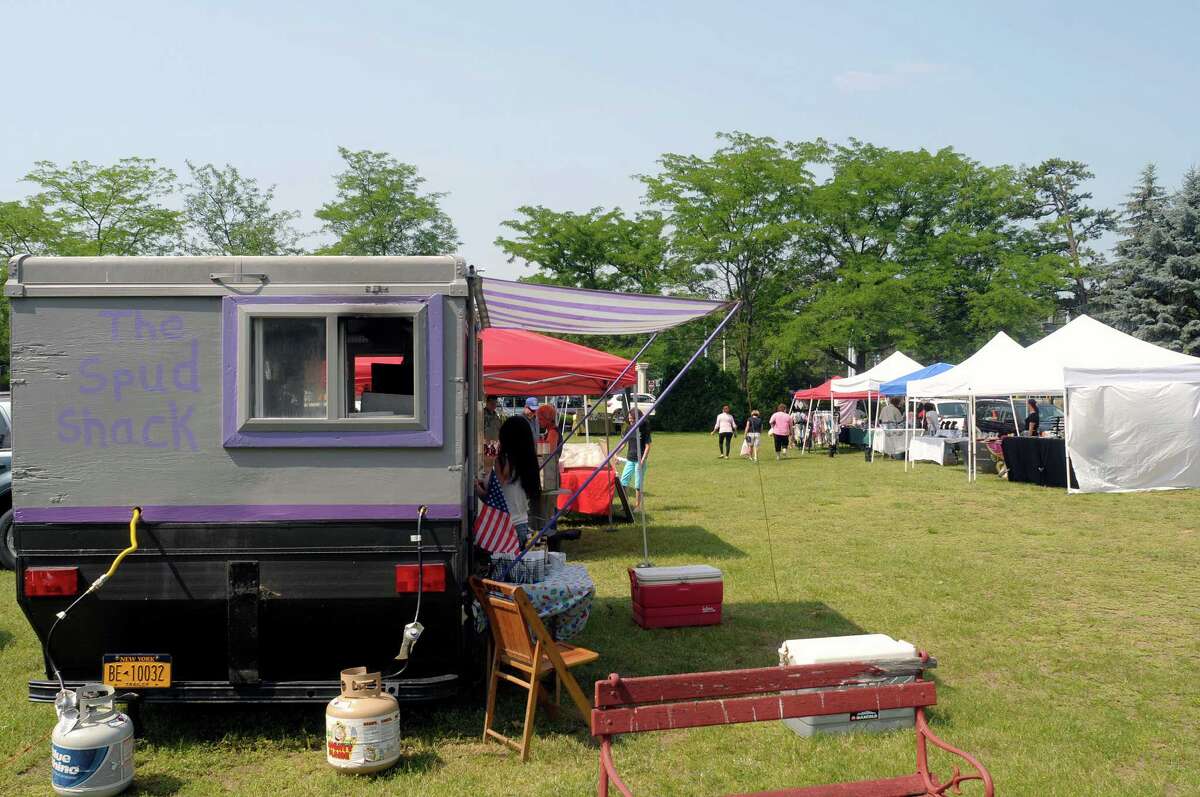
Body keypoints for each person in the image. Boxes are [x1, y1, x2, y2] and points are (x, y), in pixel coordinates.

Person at [477, 416, 542, 549]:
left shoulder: (503, 461)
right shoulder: (529, 462)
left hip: (504, 527)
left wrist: (474, 486)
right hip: (522, 524)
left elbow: (493, 496)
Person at [621, 408, 651, 510]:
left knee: (637, 485)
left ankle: (638, 506)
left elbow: (648, 446)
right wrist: (615, 454)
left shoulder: (644, 429)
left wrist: (642, 460)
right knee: (623, 482)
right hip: (630, 459)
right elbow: (623, 444)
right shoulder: (628, 428)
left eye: (632, 419)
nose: (630, 420)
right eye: (629, 419)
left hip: (640, 461)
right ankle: (625, 504)